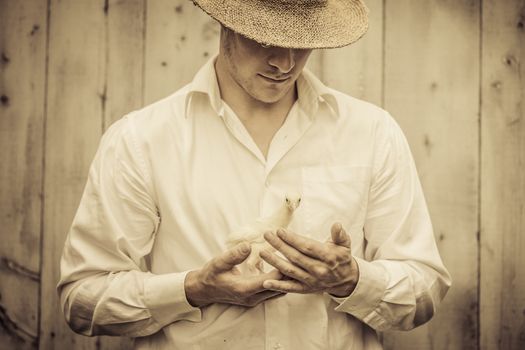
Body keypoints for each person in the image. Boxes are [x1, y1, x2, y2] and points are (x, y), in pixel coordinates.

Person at [58, 0, 451, 349]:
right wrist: (191, 289)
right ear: (226, 22)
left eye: (302, 40)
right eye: (263, 40)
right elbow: (83, 299)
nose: (285, 63)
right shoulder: (141, 140)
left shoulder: (371, 132)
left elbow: (423, 289)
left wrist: (352, 280)